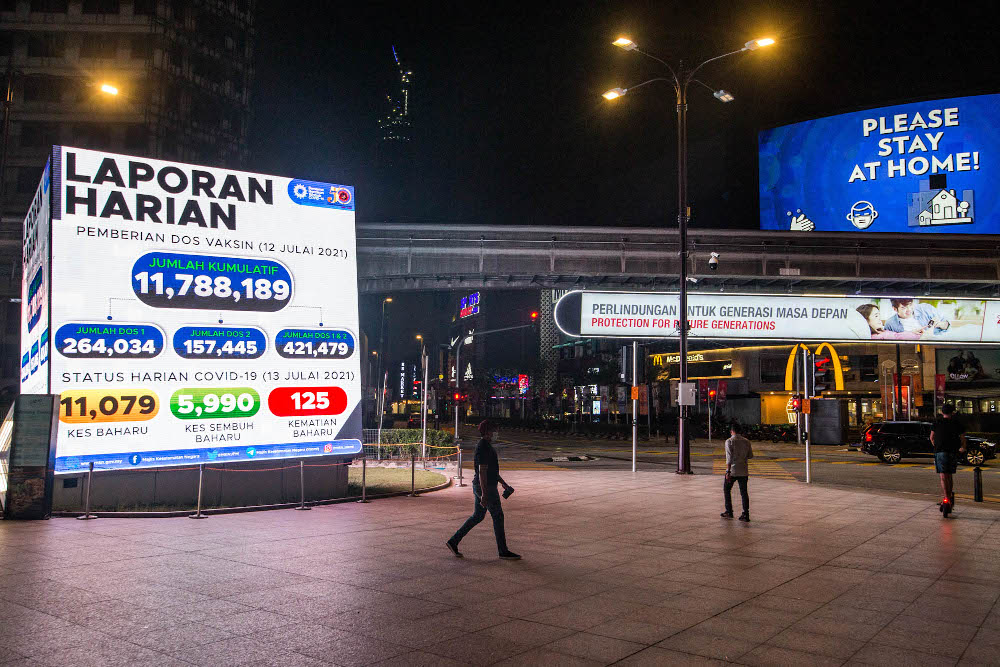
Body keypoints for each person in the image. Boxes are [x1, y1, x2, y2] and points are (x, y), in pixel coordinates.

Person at [446, 420, 521, 559]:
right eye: (494, 430)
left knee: (478, 516)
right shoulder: (483, 447)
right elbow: (482, 471)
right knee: (498, 516)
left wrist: (503, 483)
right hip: (486, 487)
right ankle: (503, 551)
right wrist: (485, 494)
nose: (496, 433)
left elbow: (491, 470)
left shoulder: (487, 445)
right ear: (487, 432)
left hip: (485, 485)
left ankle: (453, 541)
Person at [930, 403, 966, 518]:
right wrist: (962, 448)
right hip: (953, 452)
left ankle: (946, 498)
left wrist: (936, 446)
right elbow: (963, 438)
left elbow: (931, 437)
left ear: (942, 412)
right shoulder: (957, 423)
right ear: (952, 412)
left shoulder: (937, 423)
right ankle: (949, 497)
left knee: (943, 476)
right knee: (949, 475)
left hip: (940, 452)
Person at [721, 423, 753, 522]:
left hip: (733, 471)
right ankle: (745, 514)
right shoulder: (746, 441)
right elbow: (750, 455)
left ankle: (729, 511)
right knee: (744, 492)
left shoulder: (729, 441)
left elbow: (729, 458)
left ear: (732, 431)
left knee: (726, 489)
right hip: (743, 470)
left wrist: (728, 472)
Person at [855, 304, 923, 340]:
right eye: (876, 316)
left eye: (879, 315)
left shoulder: (880, 332)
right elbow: (898, 337)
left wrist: (913, 333)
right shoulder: (876, 337)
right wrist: (920, 336)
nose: (879, 319)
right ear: (865, 320)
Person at [883, 298, 950, 334]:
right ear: (895, 309)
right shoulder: (890, 324)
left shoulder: (925, 308)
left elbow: (948, 326)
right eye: (903, 307)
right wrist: (910, 334)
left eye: (910, 304)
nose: (909, 309)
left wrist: (939, 324)